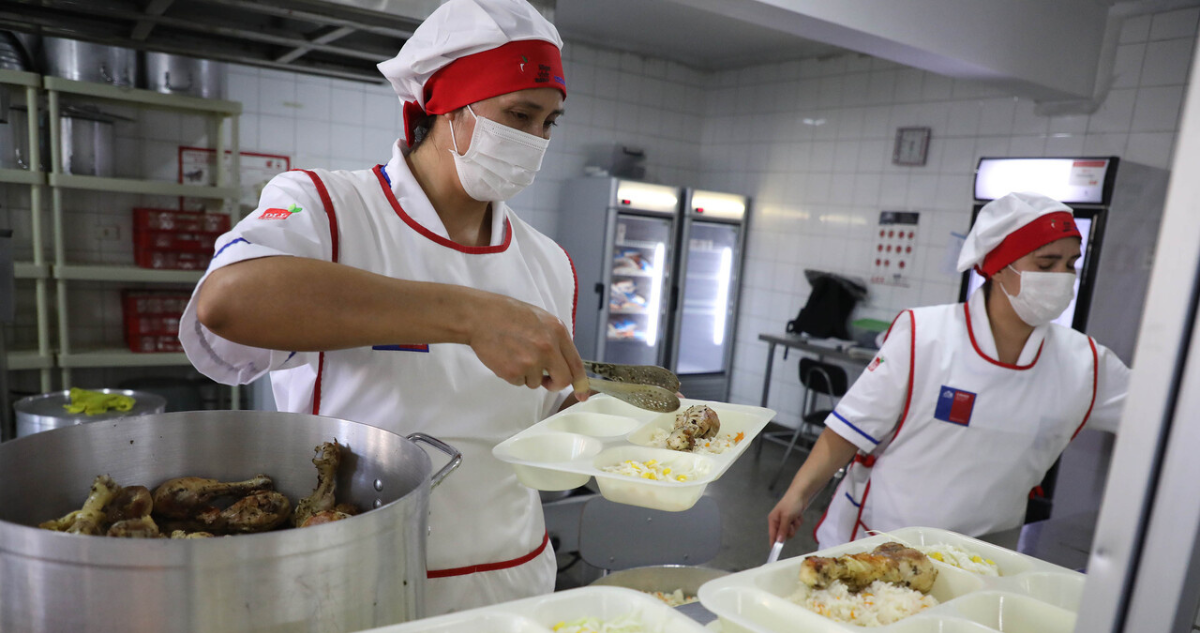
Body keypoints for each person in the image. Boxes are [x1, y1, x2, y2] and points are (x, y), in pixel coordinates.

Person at [180, 0, 586, 615]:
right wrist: (472, 316)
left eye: (549, 122)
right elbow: (229, 303)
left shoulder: (548, 260)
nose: (535, 141)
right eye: (519, 115)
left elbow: (540, 413)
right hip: (353, 580)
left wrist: (596, 420)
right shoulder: (327, 207)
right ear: (444, 107)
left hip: (512, 583)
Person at [767, 191, 1130, 548]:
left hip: (986, 553)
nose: (1063, 276)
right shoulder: (924, 336)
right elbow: (851, 428)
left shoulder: (1086, 364)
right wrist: (798, 495)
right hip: (882, 542)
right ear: (999, 267)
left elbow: (1169, 419)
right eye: (1047, 264)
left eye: (1070, 264)